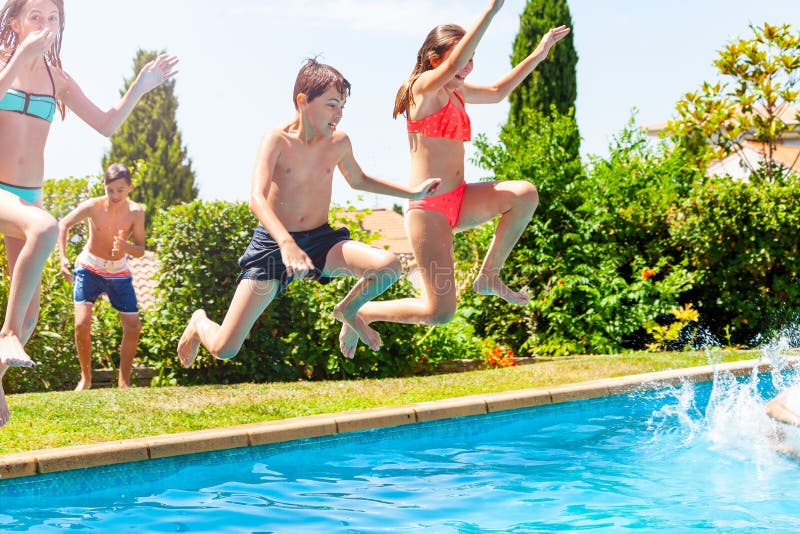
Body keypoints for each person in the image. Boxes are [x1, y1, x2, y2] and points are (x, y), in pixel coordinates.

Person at [339, 1, 570, 356]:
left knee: (524, 194)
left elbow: (496, 92)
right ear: (436, 60)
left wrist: (539, 53)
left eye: (474, 57)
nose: (469, 65)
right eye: (465, 57)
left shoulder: (457, 93)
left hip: (460, 200)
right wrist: (492, 12)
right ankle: (360, 310)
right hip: (428, 210)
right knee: (440, 312)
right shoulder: (422, 91)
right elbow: (452, 65)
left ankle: (488, 276)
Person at [176, 59, 440, 368]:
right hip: (273, 248)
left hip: (321, 242)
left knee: (388, 266)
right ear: (303, 101)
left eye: (342, 106)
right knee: (225, 348)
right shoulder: (276, 140)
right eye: (331, 105)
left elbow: (359, 180)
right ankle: (198, 322)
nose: (338, 113)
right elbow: (256, 198)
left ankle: (347, 311)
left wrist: (413, 193)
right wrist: (287, 243)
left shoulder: (338, 143)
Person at [0, 0, 177, 426]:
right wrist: (19, 58)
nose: (44, 24)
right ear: (15, 21)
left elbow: (107, 124)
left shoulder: (56, 79)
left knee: (31, 314)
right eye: (36, 16)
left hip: (28, 195)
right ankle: (5, 336)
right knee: (46, 230)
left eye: (53, 18)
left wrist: (141, 85)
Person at [57, 163, 145, 390]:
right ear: (103, 187)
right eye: (110, 190)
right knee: (81, 323)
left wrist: (127, 246)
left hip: (118, 271)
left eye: (120, 190)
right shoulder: (92, 207)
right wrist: (63, 258)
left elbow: (141, 249)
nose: (115, 195)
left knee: (134, 326)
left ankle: (124, 382)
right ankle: (86, 379)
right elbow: (63, 224)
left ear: (130, 188)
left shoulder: (136, 212)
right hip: (89, 267)